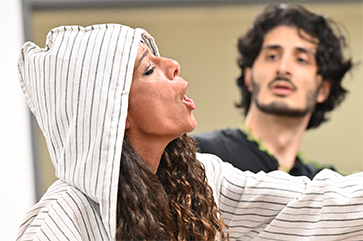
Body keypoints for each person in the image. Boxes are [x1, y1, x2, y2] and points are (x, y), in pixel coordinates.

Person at [17, 23, 363, 241]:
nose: (172, 65)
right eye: (149, 69)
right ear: (112, 110)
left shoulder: (200, 179)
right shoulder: (62, 218)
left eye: (302, 59)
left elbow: (315, 205)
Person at [194, 3, 353, 179]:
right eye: (272, 56)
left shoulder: (325, 186)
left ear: (323, 89)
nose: (283, 68)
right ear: (249, 76)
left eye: (301, 60)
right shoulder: (197, 155)